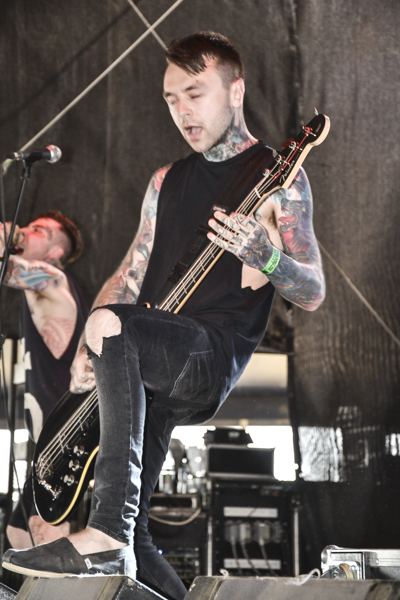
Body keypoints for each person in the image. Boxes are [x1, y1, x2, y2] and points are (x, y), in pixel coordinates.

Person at [2, 32, 325, 599]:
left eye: (195, 94)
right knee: (138, 538)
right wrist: (89, 346)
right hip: (150, 364)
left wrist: (266, 256)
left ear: (236, 92)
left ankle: (105, 534)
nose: (182, 111)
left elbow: (313, 291)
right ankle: (126, 545)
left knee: (116, 525)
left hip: (207, 357)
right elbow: (130, 272)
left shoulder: (280, 178)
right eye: (171, 99)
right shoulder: (164, 181)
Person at [1, 211, 88, 549]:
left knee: (44, 531)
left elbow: (8, 270)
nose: (25, 231)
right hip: (49, 439)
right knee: (19, 533)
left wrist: (7, 238)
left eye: (38, 230)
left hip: (65, 435)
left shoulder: (52, 279)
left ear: (54, 253)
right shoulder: (38, 288)